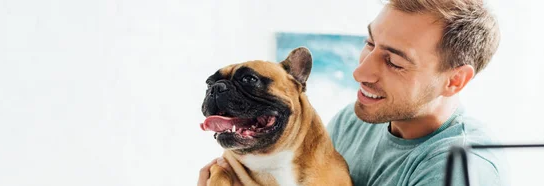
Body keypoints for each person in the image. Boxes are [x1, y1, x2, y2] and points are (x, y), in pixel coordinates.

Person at [198, 0, 507, 185]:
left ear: (455, 80)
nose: (360, 73)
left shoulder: (457, 167)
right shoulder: (354, 120)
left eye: (394, 61)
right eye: (369, 43)